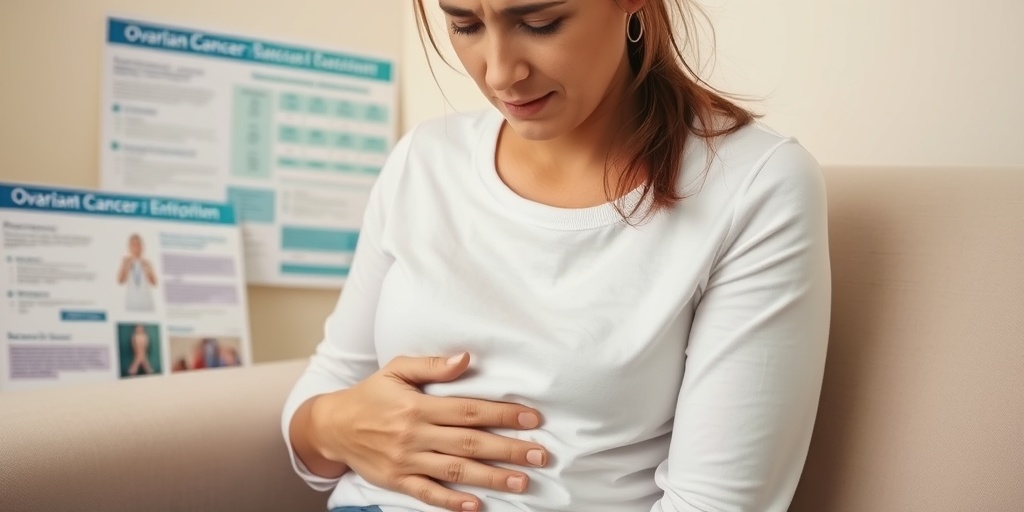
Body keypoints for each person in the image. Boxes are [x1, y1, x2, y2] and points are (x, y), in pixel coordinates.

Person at [283, 1, 831, 511]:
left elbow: (717, 503)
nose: (500, 74)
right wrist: (337, 425)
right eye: (464, 25)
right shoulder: (424, 158)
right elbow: (324, 393)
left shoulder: (754, 185)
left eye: (541, 23)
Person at [116, 233, 157, 312]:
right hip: (132, 302)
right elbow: (120, 281)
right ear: (129, 247)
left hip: (146, 302)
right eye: (133, 244)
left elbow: (154, 283)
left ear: (142, 246)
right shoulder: (125, 262)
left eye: (138, 244)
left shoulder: (147, 263)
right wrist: (126, 267)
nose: (136, 247)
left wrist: (148, 269)